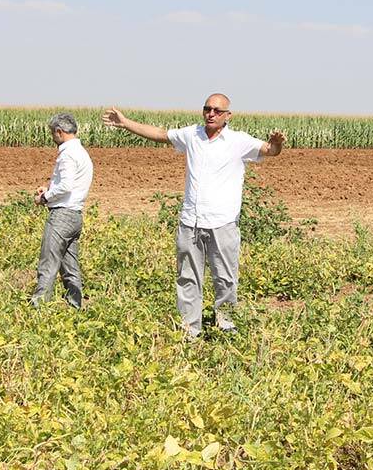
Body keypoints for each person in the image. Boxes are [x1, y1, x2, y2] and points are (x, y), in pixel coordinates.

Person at [101, 93, 285, 337]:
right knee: (187, 278)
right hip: (191, 222)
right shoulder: (192, 135)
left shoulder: (238, 141)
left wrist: (277, 143)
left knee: (225, 279)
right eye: (207, 109)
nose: (211, 114)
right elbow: (160, 134)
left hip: (223, 223)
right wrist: (126, 123)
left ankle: (226, 327)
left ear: (228, 116)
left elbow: (269, 150)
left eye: (217, 111)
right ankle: (190, 331)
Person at [31, 113, 94, 308]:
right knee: (70, 267)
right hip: (75, 216)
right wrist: (50, 190)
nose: (52, 137)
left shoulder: (67, 154)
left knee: (48, 262)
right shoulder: (82, 152)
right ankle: (75, 306)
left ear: (59, 131)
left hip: (61, 216)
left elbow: (66, 185)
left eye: (53, 133)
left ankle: (37, 308)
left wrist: (45, 197)